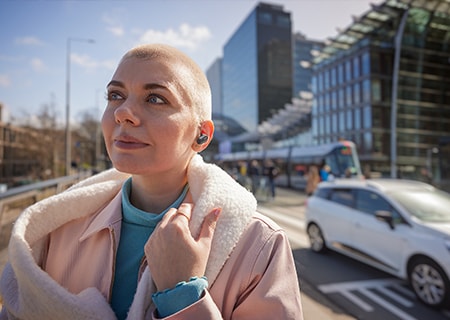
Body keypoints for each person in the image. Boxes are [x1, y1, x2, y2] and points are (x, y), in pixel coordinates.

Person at [0, 44, 303, 319]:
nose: (123, 113)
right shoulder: (56, 228)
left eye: (155, 98)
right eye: (115, 95)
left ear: (202, 135)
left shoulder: (260, 245)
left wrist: (182, 296)